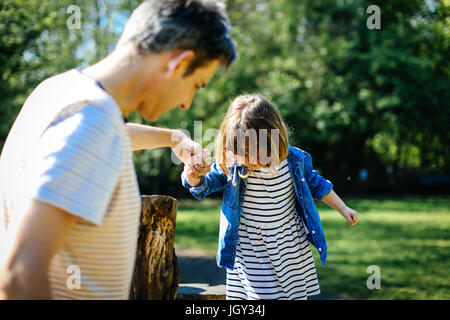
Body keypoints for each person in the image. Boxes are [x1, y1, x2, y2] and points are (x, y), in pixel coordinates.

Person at [0, 0, 235, 299]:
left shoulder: (58, 93)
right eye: (196, 85)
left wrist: (174, 138)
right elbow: (19, 276)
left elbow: (101, 134)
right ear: (177, 63)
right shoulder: (92, 124)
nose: (187, 103)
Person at [182, 94, 358, 300]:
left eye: (250, 152)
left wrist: (343, 209)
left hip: (289, 246)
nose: (244, 159)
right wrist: (192, 177)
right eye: (238, 151)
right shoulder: (233, 164)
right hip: (251, 249)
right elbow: (206, 185)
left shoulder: (295, 161)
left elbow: (319, 186)